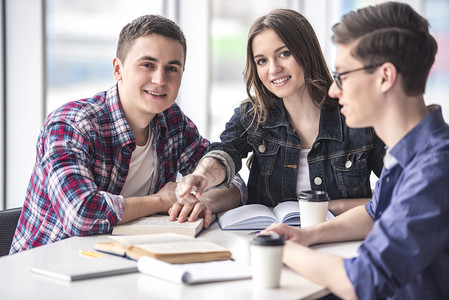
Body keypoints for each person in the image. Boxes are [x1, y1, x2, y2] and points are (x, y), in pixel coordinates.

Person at [10, 14, 246, 254]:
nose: (160, 80)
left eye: (172, 68)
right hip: (44, 269)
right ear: (118, 69)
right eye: (148, 65)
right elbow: (80, 213)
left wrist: (203, 202)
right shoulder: (72, 124)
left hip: (122, 262)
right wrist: (162, 200)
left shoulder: (172, 121)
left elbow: (234, 183)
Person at [262, 2, 449, 299]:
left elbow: (363, 281)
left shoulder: (436, 167)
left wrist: (279, 250)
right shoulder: (408, 149)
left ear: (385, 77)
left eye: (343, 76)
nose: (334, 91)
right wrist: (306, 234)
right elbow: (375, 214)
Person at [174, 8, 384, 218]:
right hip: (266, 240)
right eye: (262, 61)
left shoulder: (356, 117)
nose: (273, 69)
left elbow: (396, 193)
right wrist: (201, 175)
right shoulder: (252, 116)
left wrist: (325, 208)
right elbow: (224, 154)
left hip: (345, 240)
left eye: (284, 54)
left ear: (306, 52)